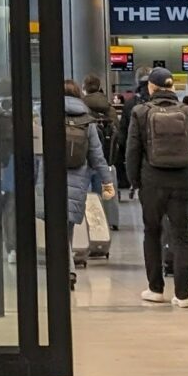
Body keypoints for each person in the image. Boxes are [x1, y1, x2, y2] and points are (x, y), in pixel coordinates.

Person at [128, 67, 188, 306]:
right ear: (172, 87)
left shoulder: (140, 112)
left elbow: (133, 151)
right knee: (181, 236)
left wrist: (134, 181)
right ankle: (182, 295)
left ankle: (156, 289)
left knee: (152, 233)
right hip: (181, 180)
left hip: (151, 181)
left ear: (151, 87)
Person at [59, 79, 115, 269]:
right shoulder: (87, 121)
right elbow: (97, 157)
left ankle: (65, 269)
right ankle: (68, 268)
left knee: (53, 229)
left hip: (51, 181)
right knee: (68, 228)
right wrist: (107, 182)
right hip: (78, 180)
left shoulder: (46, 117)